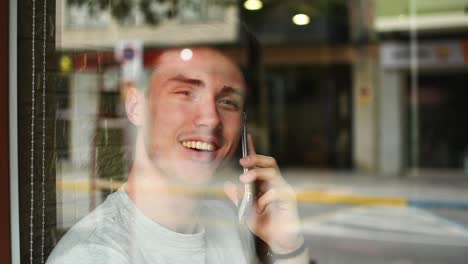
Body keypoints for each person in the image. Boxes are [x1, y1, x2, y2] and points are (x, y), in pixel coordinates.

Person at [46, 47, 308, 264]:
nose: (210, 119)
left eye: (227, 102)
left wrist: (287, 246)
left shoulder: (228, 223)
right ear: (137, 107)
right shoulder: (93, 256)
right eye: (185, 93)